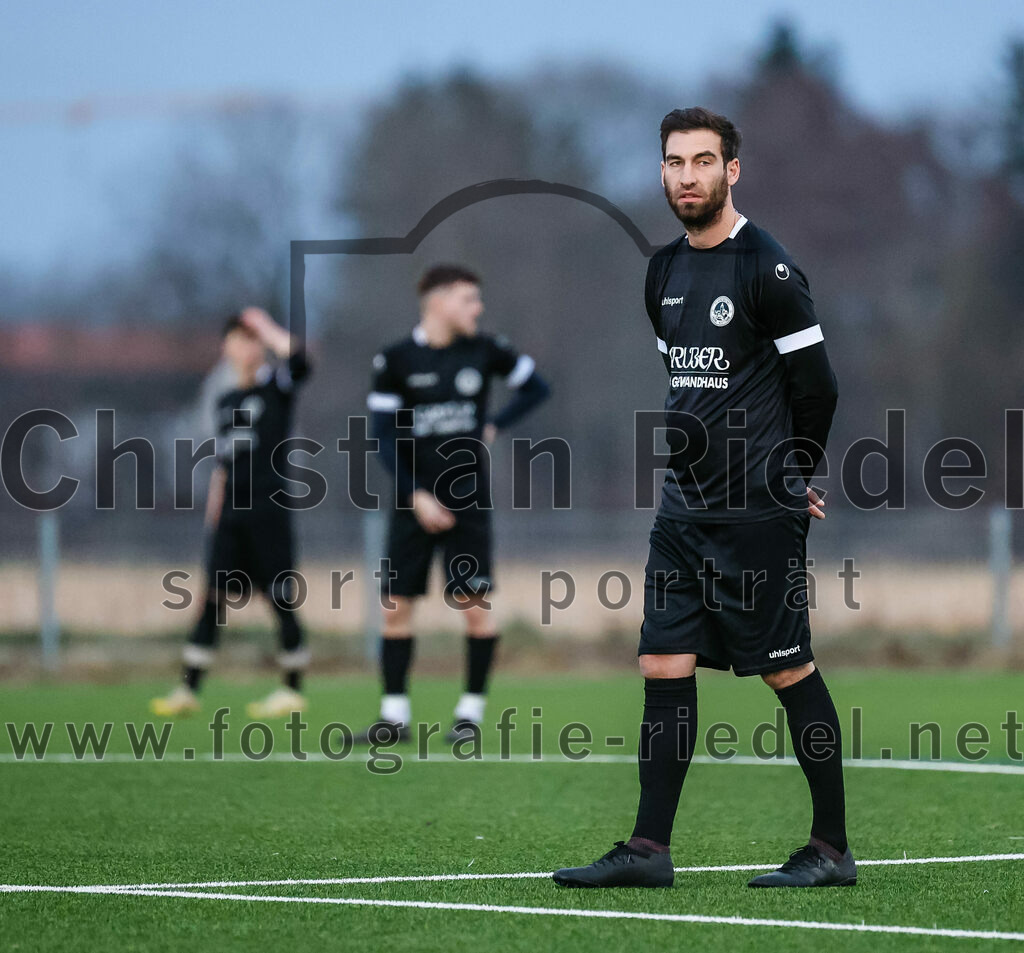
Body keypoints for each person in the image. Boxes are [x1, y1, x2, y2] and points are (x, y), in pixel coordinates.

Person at [553, 107, 850, 889]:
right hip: (682, 510)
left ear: (732, 171)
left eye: (703, 161)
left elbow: (817, 387)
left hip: (757, 512)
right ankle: (649, 850)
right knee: (661, 662)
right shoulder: (662, 272)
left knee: (788, 671)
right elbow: (685, 381)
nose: (688, 175)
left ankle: (830, 848)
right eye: (675, 162)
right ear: (662, 171)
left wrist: (794, 474)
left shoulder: (770, 269)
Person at [358, 264, 550, 745]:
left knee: (474, 606)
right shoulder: (395, 360)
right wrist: (416, 495)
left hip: (469, 504)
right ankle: (394, 717)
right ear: (438, 302)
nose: (477, 309)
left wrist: (495, 424)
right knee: (395, 608)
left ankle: (469, 714)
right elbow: (381, 437)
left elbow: (536, 387)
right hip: (411, 502)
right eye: (469, 299)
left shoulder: (485, 351)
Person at [150, 307, 313, 720]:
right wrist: (214, 513)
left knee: (279, 598)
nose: (245, 347)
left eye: (251, 339)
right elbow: (224, 463)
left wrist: (268, 328)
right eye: (239, 339)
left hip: (269, 511)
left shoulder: (275, 389)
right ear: (226, 347)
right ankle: (188, 689)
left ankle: (292, 689)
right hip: (231, 516)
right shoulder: (225, 400)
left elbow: (301, 361)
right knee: (212, 598)